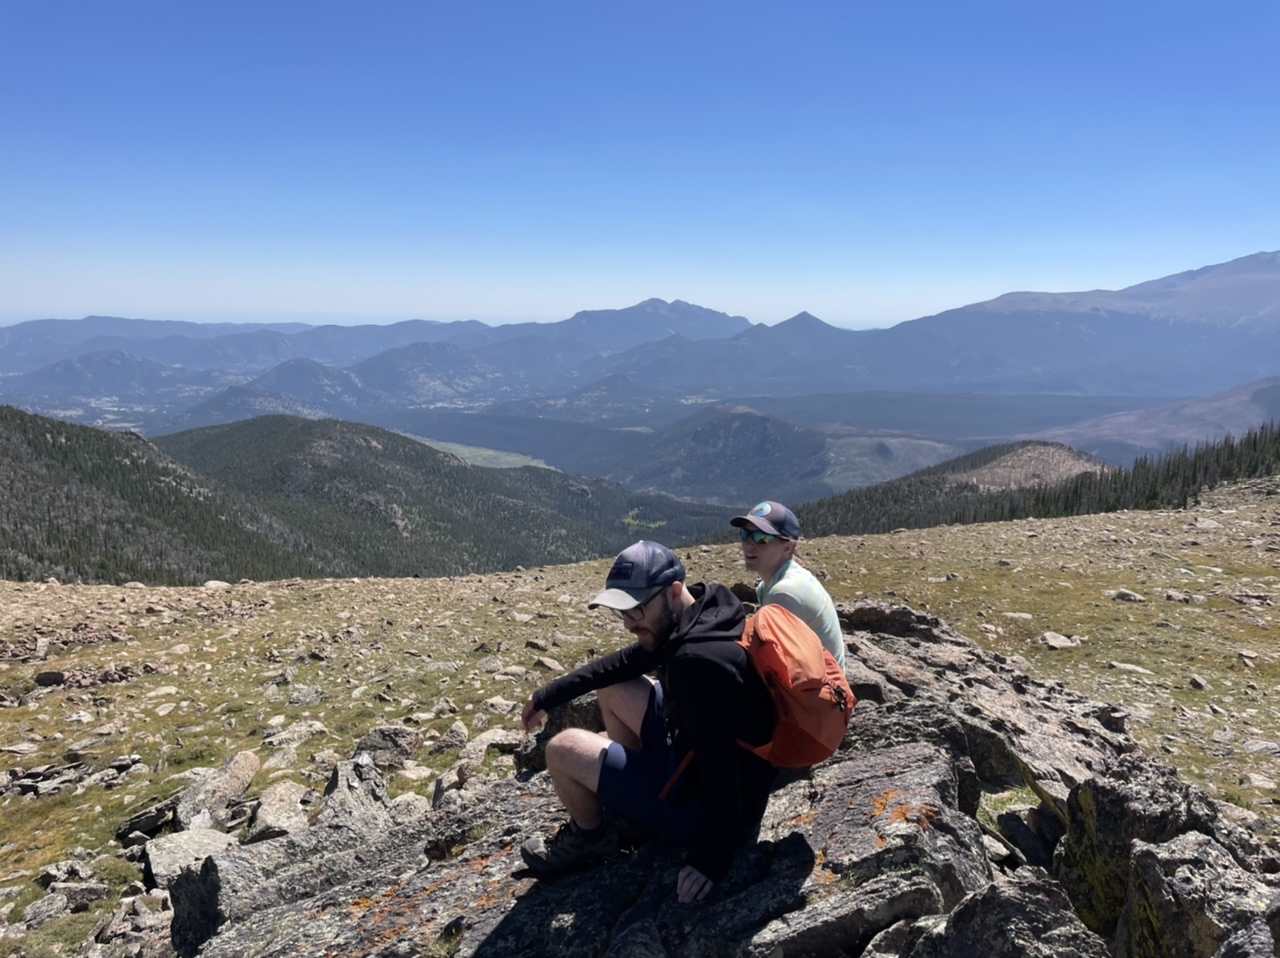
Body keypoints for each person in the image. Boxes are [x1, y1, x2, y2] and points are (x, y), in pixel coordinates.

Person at [519, 540, 776, 903]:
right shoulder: (707, 605)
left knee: (562, 749)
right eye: (620, 612)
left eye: (635, 610)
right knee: (614, 688)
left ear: (672, 592)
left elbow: (721, 770)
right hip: (694, 760)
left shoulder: (696, 664)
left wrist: (713, 860)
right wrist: (549, 695)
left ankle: (592, 838)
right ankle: (635, 813)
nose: (627, 624)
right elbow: (624, 664)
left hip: (710, 809)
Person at [731, 500, 846, 669]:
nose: (749, 544)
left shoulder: (784, 593)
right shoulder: (769, 584)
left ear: (787, 547)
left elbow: (776, 662)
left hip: (818, 691)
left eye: (761, 538)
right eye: (744, 534)